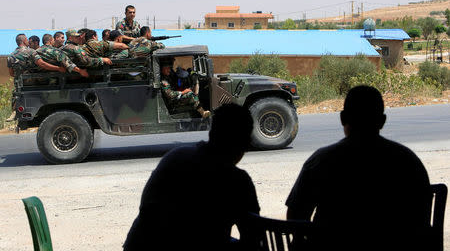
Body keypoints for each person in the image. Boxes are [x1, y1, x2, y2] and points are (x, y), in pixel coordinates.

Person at [285, 85, 432, 251]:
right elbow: (422, 220)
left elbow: (295, 216)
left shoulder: (321, 161)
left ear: (342, 118)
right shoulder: (408, 162)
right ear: (382, 121)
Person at [123, 103, 260, 251]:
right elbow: (253, 237)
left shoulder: (175, 156)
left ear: (211, 133)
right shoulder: (237, 181)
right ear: (244, 143)